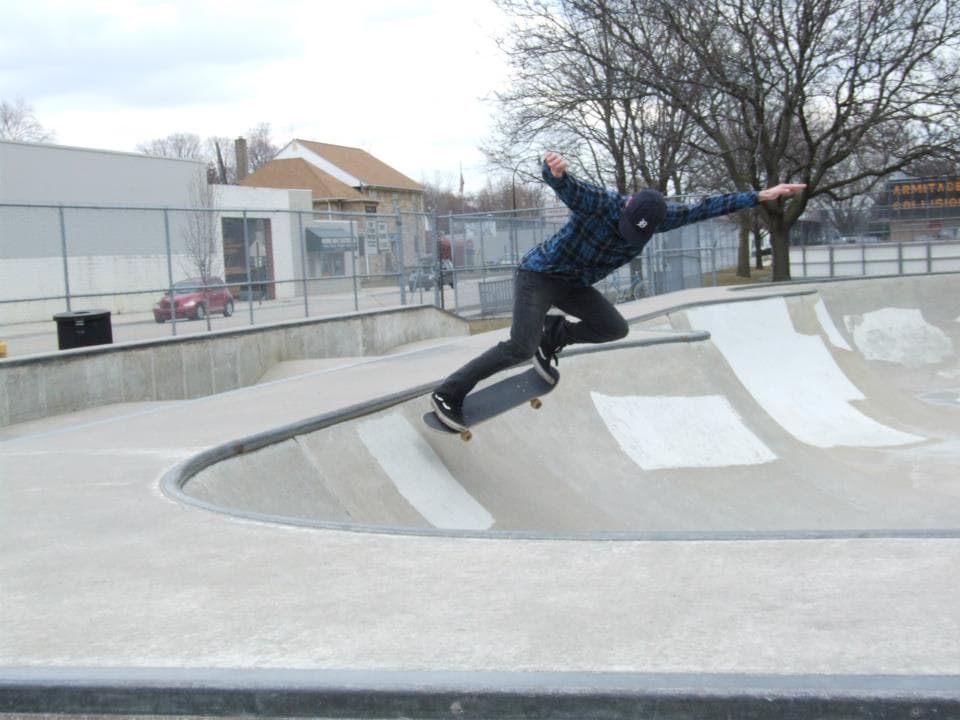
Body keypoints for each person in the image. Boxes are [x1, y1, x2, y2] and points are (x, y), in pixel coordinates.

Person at [430, 151, 805, 431]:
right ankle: (450, 392)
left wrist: (758, 196)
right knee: (520, 347)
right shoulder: (602, 203)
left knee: (614, 327)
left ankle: (555, 333)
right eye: (626, 228)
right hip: (540, 275)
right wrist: (553, 170)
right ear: (625, 209)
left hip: (574, 285)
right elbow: (567, 185)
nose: (628, 237)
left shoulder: (663, 218)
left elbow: (705, 208)